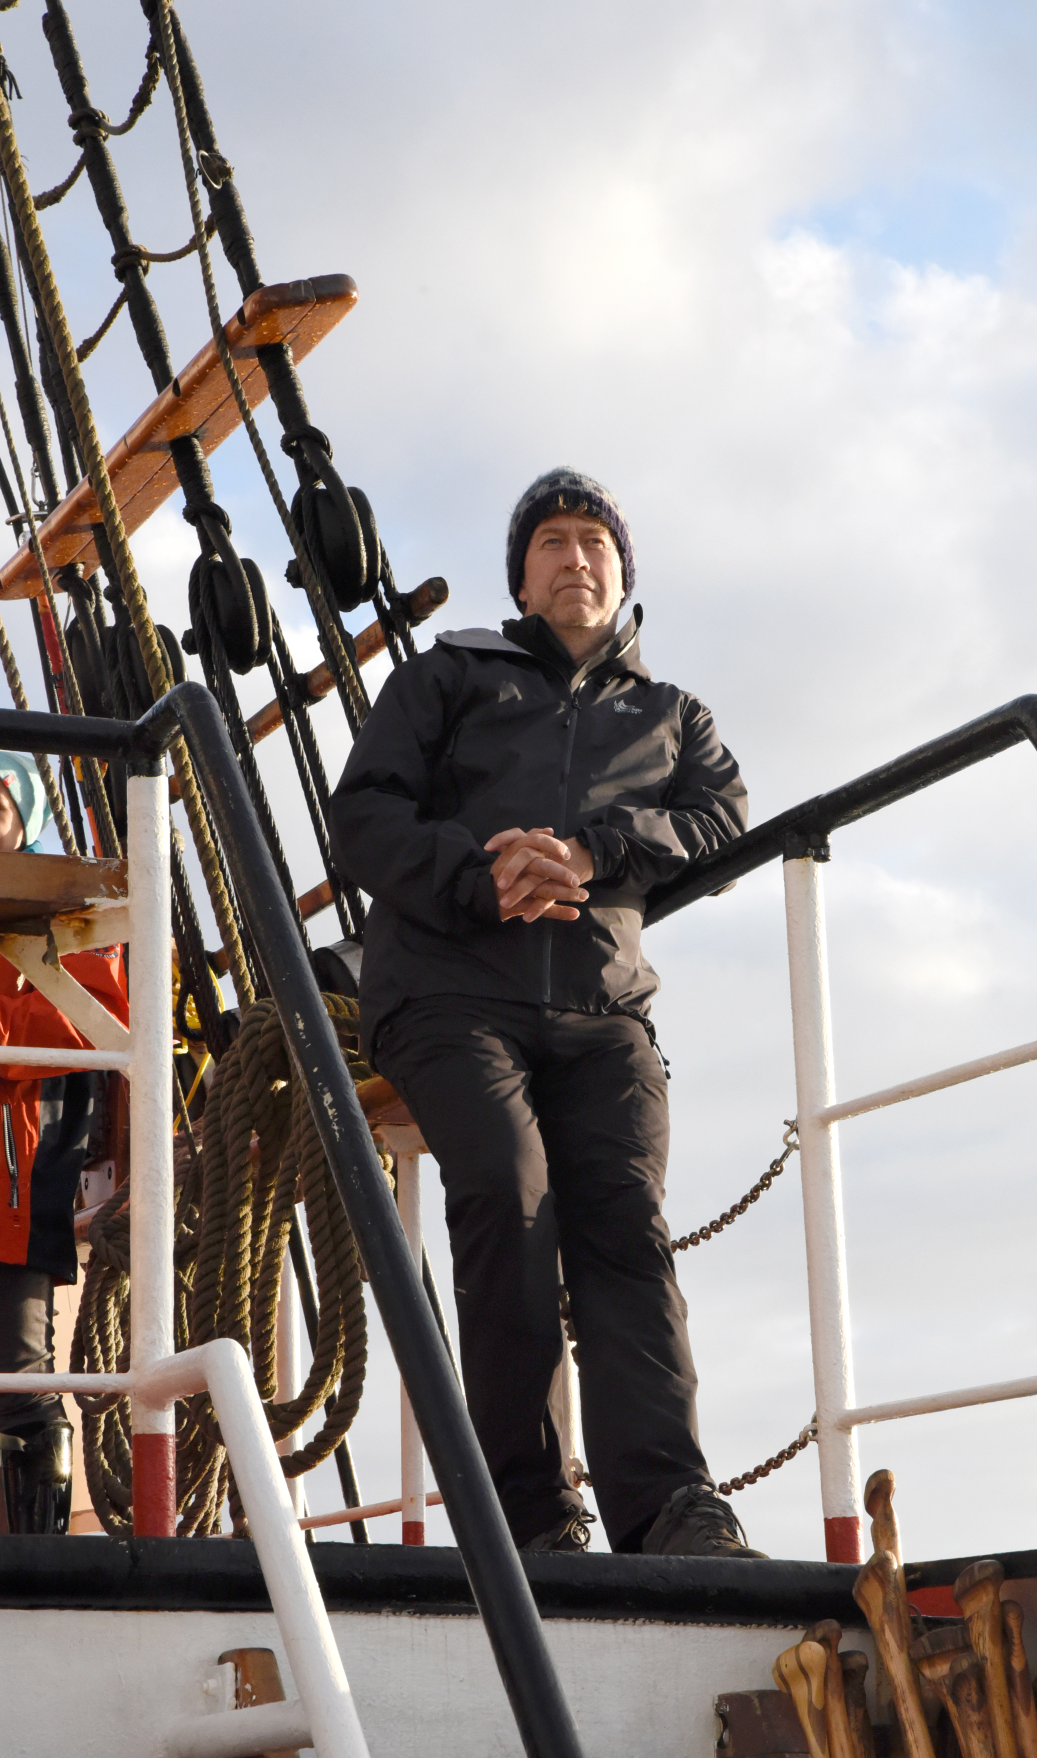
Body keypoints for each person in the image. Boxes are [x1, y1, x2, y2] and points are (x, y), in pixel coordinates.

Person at [331, 468, 765, 1557]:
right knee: (509, 1197)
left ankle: (669, 1509)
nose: (577, 557)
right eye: (553, 542)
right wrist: (484, 870)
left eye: (595, 543)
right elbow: (365, 817)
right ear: (522, 577)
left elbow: (722, 816)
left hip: (600, 1005)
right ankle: (531, 1516)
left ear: (623, 576)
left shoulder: (672, 716)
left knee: (625, 1223)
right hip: (444, 992)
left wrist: (594, 848)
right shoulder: (450, 677)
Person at [0, 750, 128, 1533]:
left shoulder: (72, 915)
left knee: (19, 1385)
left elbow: (85, 1027)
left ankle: (42, 1559)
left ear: (25, 821)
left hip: (8, 1189)